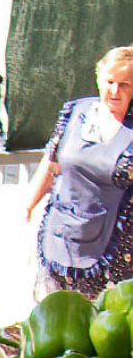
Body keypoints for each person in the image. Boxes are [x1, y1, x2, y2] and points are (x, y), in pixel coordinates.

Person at [26, 45, 133, 301]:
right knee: (54, 313)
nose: (115, 91)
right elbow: (50, 164)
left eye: (126, 84)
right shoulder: (75, 113)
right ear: (98, 78)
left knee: (102, 324)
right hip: (60, 235)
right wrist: (28, 205)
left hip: (115, 252)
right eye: (110, 82)